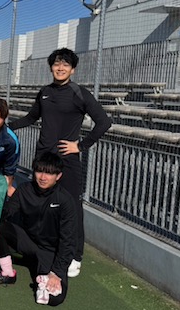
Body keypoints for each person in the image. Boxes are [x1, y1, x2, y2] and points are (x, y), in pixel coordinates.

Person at [9, 48, 111, 277]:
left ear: (72, 69)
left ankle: (75, 256)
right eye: (57, 64)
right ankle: (43, 249)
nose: (60, 68)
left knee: (72, 207)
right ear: (51, 67)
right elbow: (31, 117)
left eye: (65, 64)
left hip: (67, 161)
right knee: (41, 205)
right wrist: (7, 127)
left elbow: (104, 122)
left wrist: (81, 146)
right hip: (42, 159)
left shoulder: (79, 93)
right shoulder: (44, 92)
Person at [0, 152, 76, 306]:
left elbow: (68, 240)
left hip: (50, 251)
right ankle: (8, 273)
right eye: (39, 171)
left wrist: (56, 273)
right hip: (28, 242)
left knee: (54, 299)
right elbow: (6, 212)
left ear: (58, 176)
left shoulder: (65, 201)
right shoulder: (24, 189)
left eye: (49, 173)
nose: (43, 177)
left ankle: (41, 271)